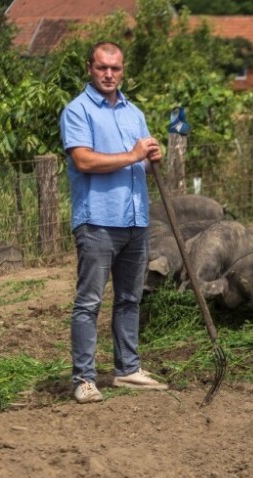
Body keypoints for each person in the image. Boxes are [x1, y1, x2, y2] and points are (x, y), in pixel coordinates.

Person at [59, 41, 168, 403]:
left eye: (115, 68)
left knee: (130, 299)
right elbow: (84, 161)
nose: (109, 74)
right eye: (102, 67)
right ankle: (84, 379)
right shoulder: (77, 111)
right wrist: (133, 154)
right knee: (89, 302)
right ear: (89, 68)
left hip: (135, 219)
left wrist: (152, 157)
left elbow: (141, 163)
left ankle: (128, 369)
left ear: (123, 70)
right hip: (98, 221)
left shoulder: (134, 113)